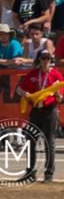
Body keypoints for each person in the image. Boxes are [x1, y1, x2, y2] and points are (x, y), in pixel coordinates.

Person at [17, 49, 64, 182]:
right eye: (43, 58)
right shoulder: (33, 74)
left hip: (50, 111)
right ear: (39, 59)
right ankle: (30, 173)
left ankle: (49, 174)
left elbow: (60, 98)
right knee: (30, 141)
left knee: (49, 142)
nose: (45, 61)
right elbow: (19, 88)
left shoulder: (56, 75)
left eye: (48, 58)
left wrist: (57, 94)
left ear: (51, 60)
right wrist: (23, 93)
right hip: (36, 111)